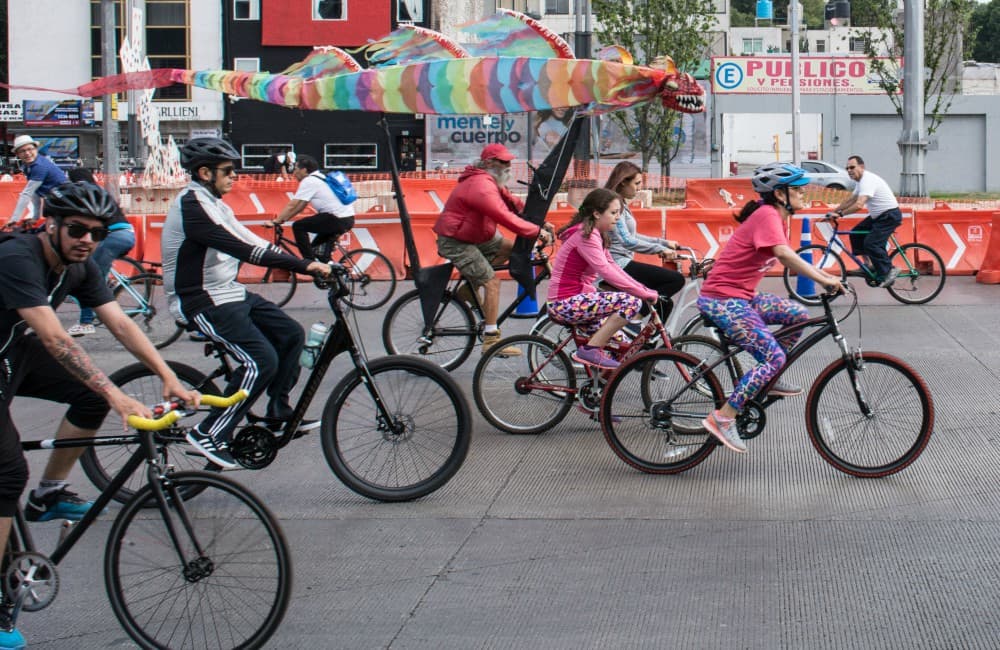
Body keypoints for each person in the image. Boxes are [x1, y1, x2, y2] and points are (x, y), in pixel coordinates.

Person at [0, 182, 199, 648]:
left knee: (86, 397)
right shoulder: (17, 259)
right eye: (76, 229)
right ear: (50, 224)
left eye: (97, 232)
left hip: (11, 356)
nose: (87, 239)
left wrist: (168, 375)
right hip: (16, 353)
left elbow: (120, 322)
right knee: (7, 473)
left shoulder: (79, 266)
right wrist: (116, 395)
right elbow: (56, 339)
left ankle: (48, 495)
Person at [161, 137, 332, 469]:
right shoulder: (192, 206)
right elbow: (245, 250)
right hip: (199, 300)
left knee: (291, 335)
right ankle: (210, 432)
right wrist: (305, 265)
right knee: (260, 361)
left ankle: (277, 412)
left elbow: (250, 237)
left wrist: (311, 262)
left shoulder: (215, 203)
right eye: (227, 171)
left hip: (227, 292)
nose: (234, 177)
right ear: (205, 172)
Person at [697, 163, 844, 454]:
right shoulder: (767, 215)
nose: (804, 193)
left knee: (798, 315)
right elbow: (784, 254)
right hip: (723, 300)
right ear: (780, 194)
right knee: (773, 357)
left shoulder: (775, 215)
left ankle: (766, 376)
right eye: (798, 189)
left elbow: (784, 254)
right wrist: (825, 278)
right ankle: (723, 418)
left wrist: (826, 278)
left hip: (743, 297)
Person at [433, 143, 552, 354]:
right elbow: (503, 215)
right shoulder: (480, 185)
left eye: (509, 161)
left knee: (512, 249)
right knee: (492, 282)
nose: (508, 166)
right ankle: (491, 339)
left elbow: (513, 204)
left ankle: (469, 289)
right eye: (503, 162)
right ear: (489, 163)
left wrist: (540, 222)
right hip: (456, 240)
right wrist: (535, 231)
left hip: (477, 235)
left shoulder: (491, 180)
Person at [547, 188, 659, 370]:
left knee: (625, 345)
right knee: (631, 303)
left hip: (578, 300)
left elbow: (613, 266)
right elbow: (606, 271)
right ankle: (590, 350)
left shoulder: (595, 234)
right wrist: (641, 294)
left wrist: (644, 290)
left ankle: (598, 391)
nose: (617, 218)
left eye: (619, 213)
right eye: (613, 213)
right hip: (565, 303)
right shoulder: (586, 235)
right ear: (597, 213)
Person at [604, 161, 685, 324]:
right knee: (676, 280)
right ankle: (635, 320)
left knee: (665, 303)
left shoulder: (621, 204)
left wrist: (663, 243)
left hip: (623, 262)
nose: (639, 188)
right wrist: (659, 249)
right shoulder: (615, 205)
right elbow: (627, 241)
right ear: (623, 182)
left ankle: (649, 345)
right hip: (618, 264)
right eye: (637, 183)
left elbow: (632, 235)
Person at [65, 168, 136, 337]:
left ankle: (86, 322)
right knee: (96, 269)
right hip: (124, 234)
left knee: (88, 278)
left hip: (114, 236)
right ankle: (112, 284)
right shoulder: (98, 190)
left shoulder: (85, 192)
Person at [829, 155, 903, 288]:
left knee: (872, 244)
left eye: (852, 167)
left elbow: (858, 205)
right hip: (879, 215)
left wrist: (840, 214)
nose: (849, 170)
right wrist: (833, 212)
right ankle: (868, 266)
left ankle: (889, 270)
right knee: (856, 233)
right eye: (847, 168)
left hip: (889, 215)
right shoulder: (860, 181)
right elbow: (851, 200)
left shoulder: (867, 180)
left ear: (862, 167)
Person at [271, 155, 355, 261]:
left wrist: (276, 221)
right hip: (345, 219)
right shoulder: (321, 177)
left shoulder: (309, 181)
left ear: (304, 170)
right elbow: (300, 207)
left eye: (296, 169)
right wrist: (283, 220)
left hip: (336, 219)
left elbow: (293, 204)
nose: (294, 172)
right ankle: (331, 272)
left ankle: (309, 263)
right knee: (317, 251)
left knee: (298, 226)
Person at [7, 135, 67, 226]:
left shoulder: (39, 166)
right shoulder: (29, 165)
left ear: (36, 149)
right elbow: (35, 194)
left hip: (63, 203)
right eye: (22, 151)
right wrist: (36, 218)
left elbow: (27, 194)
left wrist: (14, 220)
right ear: (18, 154)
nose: (27, 153)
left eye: (30, 149)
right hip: (54, 201)